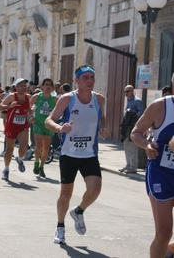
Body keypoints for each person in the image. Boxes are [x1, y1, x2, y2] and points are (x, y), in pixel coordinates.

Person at [45, 65, 108, 244]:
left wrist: (103, 126)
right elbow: (50, 120)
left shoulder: (99, 99)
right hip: (69, 153)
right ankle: (60, 226)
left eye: (92, 77)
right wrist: (60, 128)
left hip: (89, 153)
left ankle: (79, 211)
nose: (90, 81)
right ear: (77, 80)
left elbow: (101, 116)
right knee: (66, 193)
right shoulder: (67, 99)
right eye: (85, 77)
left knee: (95, 189)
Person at [131, 83, 174, 258]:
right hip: (161, 173)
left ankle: (169, 252)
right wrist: (147, 145)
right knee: (163, 234)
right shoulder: (160, 106)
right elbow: (136, 133)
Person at [0, 78, 33, 180]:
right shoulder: (11, 96)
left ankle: (19, 159)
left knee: (24, 147)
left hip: (23, 125)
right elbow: (0, 107)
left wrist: (31, 112)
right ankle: (6, 169)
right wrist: (9, 106)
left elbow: (28, 109)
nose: (23, 87)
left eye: (24, 86)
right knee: (9, 149)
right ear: (16, 87)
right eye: (21, 86)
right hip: (11, 126)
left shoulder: (28, 97)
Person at [29, 78, 57, 178]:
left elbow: (59, 111)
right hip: (38, 124)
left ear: (52, 87)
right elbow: (28, 107)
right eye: (46, 84)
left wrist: (55, 120)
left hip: (48, 125)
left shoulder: (54, 99)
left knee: (46, 148)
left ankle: (42, 167)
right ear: (42, 86)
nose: (48, 86)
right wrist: (30, 116)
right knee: (39, 146)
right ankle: (36, 162)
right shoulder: (36, 97)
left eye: (50, 85)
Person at [119, 85, 144, 174]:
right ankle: (128, 164)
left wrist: (134, 119)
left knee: (132, 146)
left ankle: (133, 166)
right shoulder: (128, 101)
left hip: (133, 126)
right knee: (126, 146)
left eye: (128, 91)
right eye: (125, 91)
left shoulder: (137, 101)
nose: (126, 93)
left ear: (132, 91)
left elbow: (141, 113)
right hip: (126, 126)